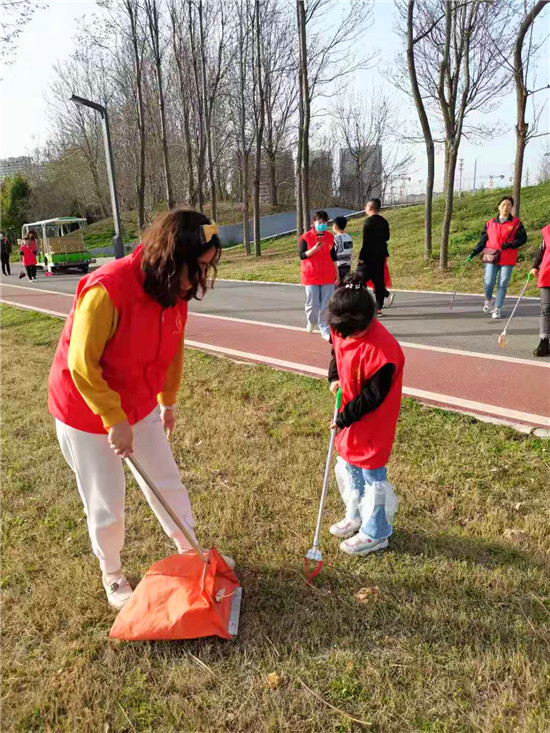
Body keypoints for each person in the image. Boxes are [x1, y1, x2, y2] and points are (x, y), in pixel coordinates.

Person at [48, 209, 229, 610]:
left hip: (139, 401)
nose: (200, 279)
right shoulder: (108, 289)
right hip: (86, 408)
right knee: (107, 498)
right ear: (171, 259)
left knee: (166, 479)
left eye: (206, 268)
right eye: (197, 268)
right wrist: (113, 419)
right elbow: (81, 365)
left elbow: (173, 349)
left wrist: (167, 400)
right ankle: (112, 572)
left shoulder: (173, 292)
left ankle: (190, 550)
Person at [326, 272, 405, 556]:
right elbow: (335, 352)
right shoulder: (342, 327)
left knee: (372, 474)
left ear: (369, 319)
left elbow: (372, 397)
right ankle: (356, 514)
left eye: (351, 333)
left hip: (372, 420)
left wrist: (343, 418)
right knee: (349, 464)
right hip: (349, 411)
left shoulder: (384, 352)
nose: (345, 337)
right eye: (341, 331)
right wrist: (334, 377)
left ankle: (376, 532)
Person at [469, 196, 527, 320]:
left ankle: (497, 308)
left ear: (511, 207)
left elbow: (523, 239)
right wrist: (475, 251)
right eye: (503, 205)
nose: (506, 207)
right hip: (491, 256)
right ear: (498, 206)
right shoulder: (490, 223)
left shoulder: (516, 223)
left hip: (508, 257)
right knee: (488, 281)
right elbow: (483, 240)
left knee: (503, 283)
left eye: (509, 205)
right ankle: (488, 299)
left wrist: (511, 244)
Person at [299, 209, 339, 340]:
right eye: (319, 222)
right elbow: (302, 255)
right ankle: (311, 320)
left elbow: (334, 257)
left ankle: (324, 329)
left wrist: (337, 274)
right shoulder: (305, 237)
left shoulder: (330, 237)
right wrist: (314, 249)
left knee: (326, 304)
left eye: (324, 222)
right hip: (311, 274)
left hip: (327, 274)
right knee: (313, 303)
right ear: (314, 222)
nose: (322, 224)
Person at [357, 198, 390, 316]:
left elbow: (366, 242)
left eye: (366, 206)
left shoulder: (368, 222)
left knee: (359, 279)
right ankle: (378, 308)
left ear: (370, 207)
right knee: (378, 281)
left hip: (368, 257)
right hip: (380, 255)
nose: (365, 208)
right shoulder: (384, 221)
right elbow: (387, 237)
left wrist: (361, 257)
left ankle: (365, 305)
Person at [530, 224, 550, 357]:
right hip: (547, 274)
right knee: (546, 309)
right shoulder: (548, 231)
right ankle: (544, 341)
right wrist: (535, 266)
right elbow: (541, 250)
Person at [332, 216, 353, 284]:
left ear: (335, 226)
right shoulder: (349, 237)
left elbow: (332, 254)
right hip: (347, 266)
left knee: (337, 287)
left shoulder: (335, 238)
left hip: (338, 267)